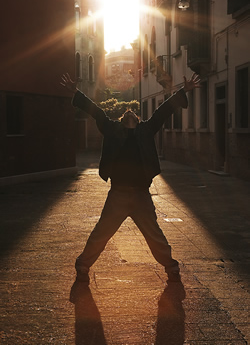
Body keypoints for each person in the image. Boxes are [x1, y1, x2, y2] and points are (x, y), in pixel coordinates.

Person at [61, 72, 200, 285]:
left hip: (141, 195)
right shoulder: (112, 129)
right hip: (118, 193)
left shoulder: (146, 130)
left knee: (153, 234)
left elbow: (162, 112)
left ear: (137, 119)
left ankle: (171, 266)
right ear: (122, 120)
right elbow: (96, 112)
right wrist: (76, 93)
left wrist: (184, 91)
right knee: (102, 232)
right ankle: (82, 265)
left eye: (132, 113)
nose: (129, 114)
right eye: (126, 114)